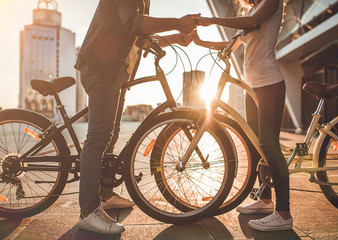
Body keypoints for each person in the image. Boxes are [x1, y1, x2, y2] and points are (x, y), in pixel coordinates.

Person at [74, 0, 199, 235]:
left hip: (115, 70)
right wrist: (177, 23)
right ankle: (88, 211)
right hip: (102, 68)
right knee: (98, 136)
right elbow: (135, 23)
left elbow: (140, 37)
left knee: (110, 135)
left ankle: (105, 194)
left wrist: (175, 37)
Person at [193, 0, 292, 231]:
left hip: (269, 83)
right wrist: (198, 42)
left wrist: (213, 20)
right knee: (256, 145)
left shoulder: (271, 2)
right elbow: (229, 44)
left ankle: (284, 213)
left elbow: (250, 22)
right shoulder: (253, 10)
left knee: (269, 145)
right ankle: (265, 200)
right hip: (253, 86)